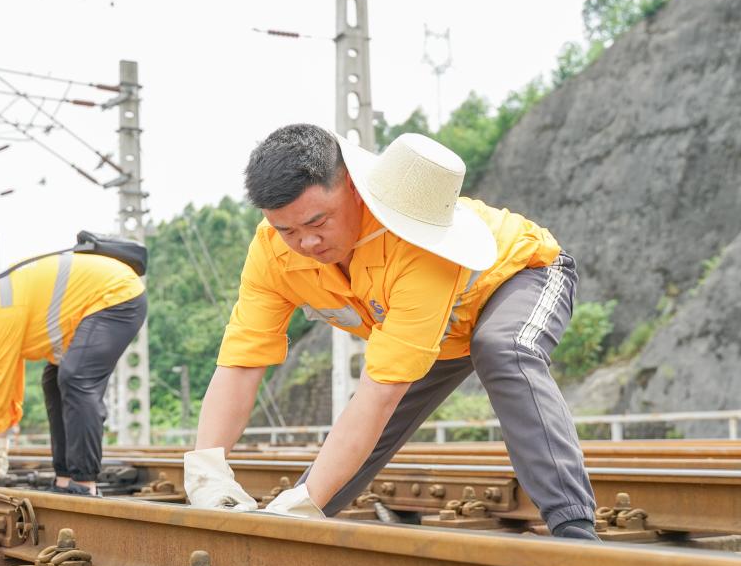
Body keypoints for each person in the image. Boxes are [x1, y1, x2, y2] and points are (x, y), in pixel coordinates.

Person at [183, 124, 599, 538]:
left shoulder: (415, 244)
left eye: (317, 221)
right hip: (434, 328)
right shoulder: (271, 252)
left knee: (502, 350)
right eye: (287, 230)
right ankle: (292, 533)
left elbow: (379, 394)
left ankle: (575, 529)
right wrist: (208, 467)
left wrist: (306, 501)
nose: (306, 242)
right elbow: (242, 361)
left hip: (519, 276)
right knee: (348, 451)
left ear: (351, 187)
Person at [0, 251, 146, 495]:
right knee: (53, 381)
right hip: (92, 307)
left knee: (75, 379)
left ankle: (84, 485)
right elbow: (7, 384)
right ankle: (64, 479)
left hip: (116, 296)